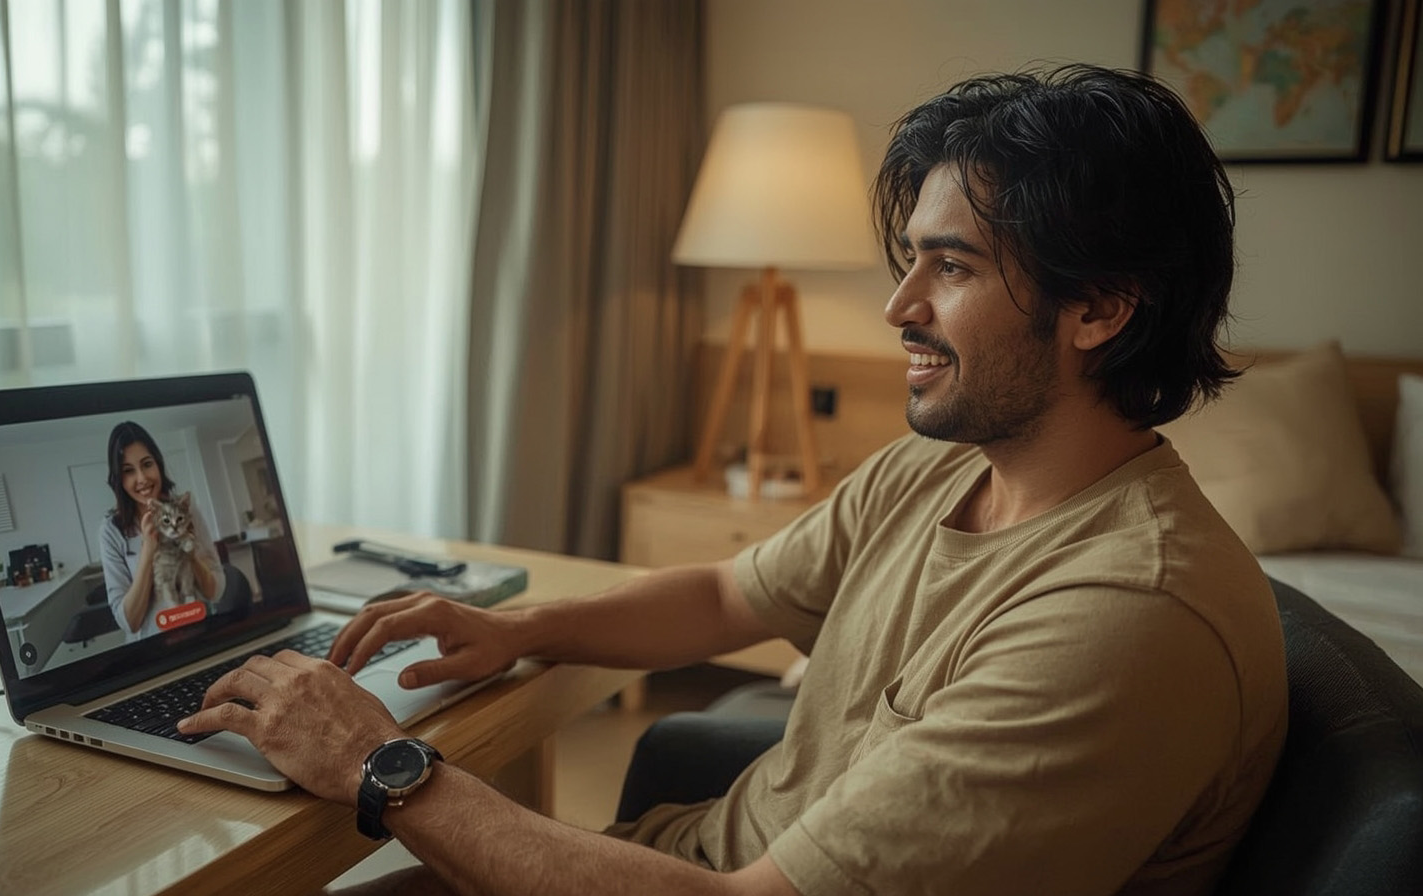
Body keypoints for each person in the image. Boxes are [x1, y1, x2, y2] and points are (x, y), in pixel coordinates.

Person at [179, 65, 1288, 896]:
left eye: (949, 266)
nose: (899, 306)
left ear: (1100, 306)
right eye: (910, 256)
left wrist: (383, 763)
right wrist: (521, 629)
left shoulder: (1125, 617)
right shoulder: (937, 468)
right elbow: (723, 597)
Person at [100, 421, 225, 639]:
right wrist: (149, 549)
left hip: (200, 637)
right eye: (128, 471)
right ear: (119, 479)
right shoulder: (111, 530)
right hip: (151, 652)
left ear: (158, 464)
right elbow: (129, 622)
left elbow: (216, 592)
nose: (142, 479)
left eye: (147, 464)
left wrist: (190, 552)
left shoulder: (186, 510)